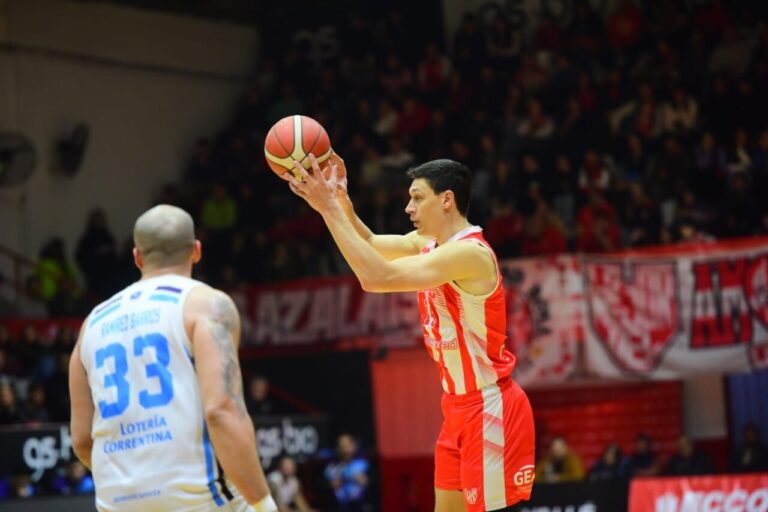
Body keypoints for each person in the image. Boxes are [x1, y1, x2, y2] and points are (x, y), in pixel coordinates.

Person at [283, 155, 535, 512]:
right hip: (456, 407)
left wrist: (329, 212)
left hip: (488, 406)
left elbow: (377, 277)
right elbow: (368, 242)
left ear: (446, 199)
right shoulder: (427, 244)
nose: (408, 206)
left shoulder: (471, 254)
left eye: (417, 197)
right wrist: (337, 201)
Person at [68, 205, 277, 512]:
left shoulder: (92, 323)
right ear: (196, 251)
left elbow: (83, 439)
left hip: (116, 500)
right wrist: (263, 501)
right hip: (198, 496)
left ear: (137, 256)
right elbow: (222, 410)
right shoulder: (205, 305)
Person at [324, 434, 369, 512]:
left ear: (354, 446)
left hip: (360, 506)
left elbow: (369, 484)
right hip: (339, 507)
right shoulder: (331, 468)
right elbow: (329, 487)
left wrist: (364, 481)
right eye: (342, 447)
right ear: (337, 449)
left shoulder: (364, 464)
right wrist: (333, 484)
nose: (345, 450)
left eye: (348, 446)